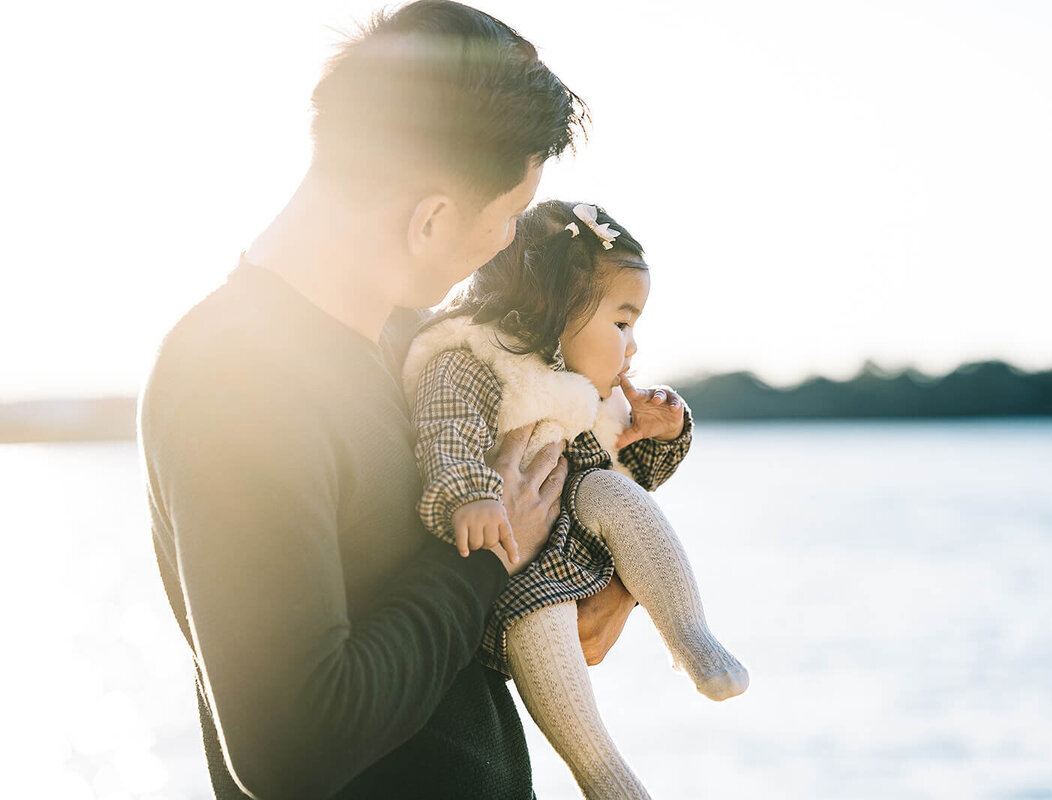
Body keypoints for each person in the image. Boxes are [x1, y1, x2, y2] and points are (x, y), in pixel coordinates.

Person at [138, 3, 636, 797]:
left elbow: (546, 468)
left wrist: (614, 583)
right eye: (507, 217)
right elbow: (291, 754)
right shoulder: (232, 381)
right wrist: (483, 556)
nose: (508, 242)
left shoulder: (422, 340)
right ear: (431, 218)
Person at [403, 200, 749, 799]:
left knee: (612, 490)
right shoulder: (473, 360)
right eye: (621, 323)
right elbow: (447, 431)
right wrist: (471, 496)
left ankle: (691, 635)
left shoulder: (583, 392)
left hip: (577, 541)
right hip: (509, 573)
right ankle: (603, 777)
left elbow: (634, 478)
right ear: (556, 308)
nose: (633, 346)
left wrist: (664, 429)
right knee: (539, 622)